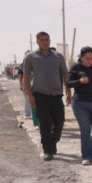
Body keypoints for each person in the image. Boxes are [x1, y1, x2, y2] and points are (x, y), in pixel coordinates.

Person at [22, 31, 70, 161]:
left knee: (59, 122)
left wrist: (68, 91)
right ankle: (47, 150)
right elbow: (26, 77)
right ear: (37, 42)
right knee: (45, 123)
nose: (45, 42)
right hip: (40, 95)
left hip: (56, 95)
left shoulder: (58, 56)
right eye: (42, 40)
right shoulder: (30, 57)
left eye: (47, 40)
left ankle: (53, 141)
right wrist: (30, 95)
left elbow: (65, 75)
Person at [18, 57, 39, 128]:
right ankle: (28, 115)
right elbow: (21, 76)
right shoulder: (23, 66)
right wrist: (22, 85)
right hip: (27, 86)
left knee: (37, 102)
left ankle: (37, 119)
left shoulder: (36, 65)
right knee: (28, 100)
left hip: (37, 86)